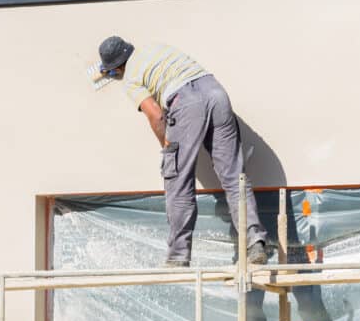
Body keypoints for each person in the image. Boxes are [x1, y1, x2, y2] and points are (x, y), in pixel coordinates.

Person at [98, 36, 268, 267]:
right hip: (216, 93)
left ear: (118, 67)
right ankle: (255, 242)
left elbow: (156, 115)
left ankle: (178, 256)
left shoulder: (130, 79)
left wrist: (168, 147)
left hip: (185, 101)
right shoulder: (155, 48)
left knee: (177, 179)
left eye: (111, 73)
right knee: (233, 176)